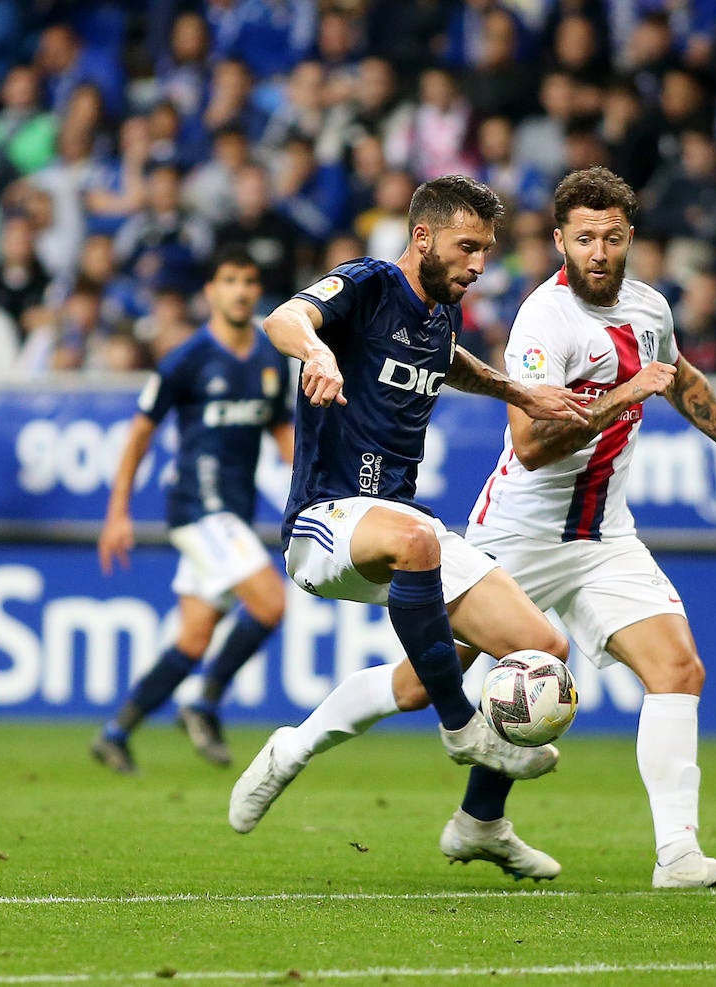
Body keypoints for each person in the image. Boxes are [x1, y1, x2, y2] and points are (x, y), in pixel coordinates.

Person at [228, 175, 591, 881]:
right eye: (467, 247)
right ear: (422, 236)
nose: (479, 264)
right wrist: (318, 351)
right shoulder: (366, 283)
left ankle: (469, 817)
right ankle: (464, 730)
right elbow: (282, 319)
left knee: (542, 646)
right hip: (324, 523)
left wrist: (518, 390)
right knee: (417, 539)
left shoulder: (438, 312)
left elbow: (448, 362)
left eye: (485, 250)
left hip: (395, 523)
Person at [465, 166, 716, 888]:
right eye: (585, 237)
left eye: (613, 237)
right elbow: (528, 447)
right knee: (413, 681)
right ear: (560, 240)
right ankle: (296, 747)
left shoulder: (650, 308)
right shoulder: (543, 319)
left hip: (601, 536)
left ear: (631, 239)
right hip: (518, 533)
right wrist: (623, 395)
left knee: (678, 667)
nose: (599, 250)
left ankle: (679, 855)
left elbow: (680, 380)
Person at [91, 245, 294, 775]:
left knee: (194, 635)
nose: (242, 290)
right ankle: (204, 702)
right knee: (271, 604)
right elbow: (140, 431)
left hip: (234, 511)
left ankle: (117, 732)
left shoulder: (270, 359)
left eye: (249, 281)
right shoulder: (186, 358)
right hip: (198, 508)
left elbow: (281, 432)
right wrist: (118, 512)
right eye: (230, 279)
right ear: (211, 292)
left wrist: (312, 485)